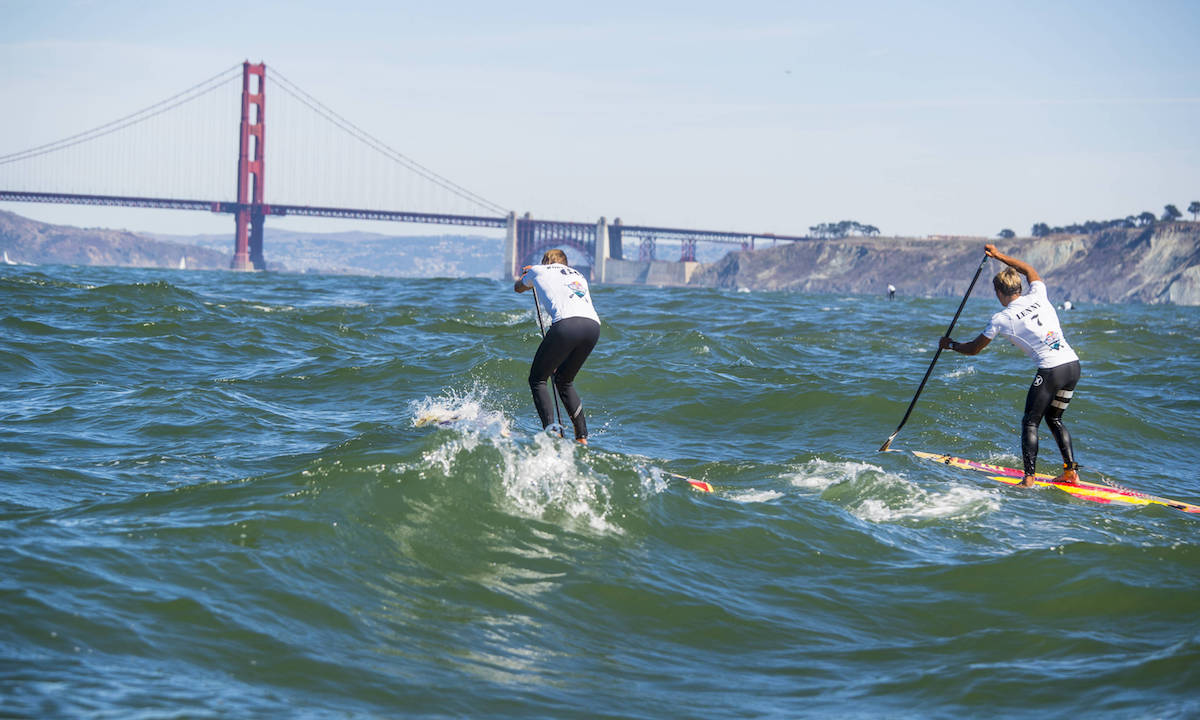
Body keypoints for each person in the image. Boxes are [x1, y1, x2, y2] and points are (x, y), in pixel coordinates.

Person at [939, 244, 1082, 487]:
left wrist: (950, 345)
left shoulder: (1001, 319)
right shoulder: (1038, 294)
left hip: (1051, 370)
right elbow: (1028, 269)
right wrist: (998, 256)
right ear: (1019, 287)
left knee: (1030, 421)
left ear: (998, 292)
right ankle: (1070, 472)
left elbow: (974, 349)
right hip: (1072, 364)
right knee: (1054, 419)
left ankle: (1029, 478)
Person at [513, 249, 601, 444]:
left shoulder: (537, 269)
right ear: (565, 263)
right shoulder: (579, 275)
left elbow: (518, 288)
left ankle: (553, 435)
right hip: (593, 327)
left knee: (537, 379)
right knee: (563, 380)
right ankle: (582, 438)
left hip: (566, 326)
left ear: (545, 261)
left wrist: (527, 276)